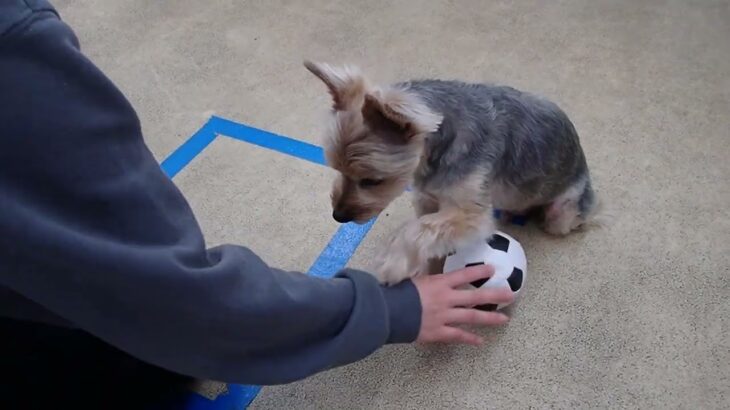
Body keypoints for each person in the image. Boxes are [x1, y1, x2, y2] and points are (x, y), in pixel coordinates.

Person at [0, 1, 513, 408]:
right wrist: (390, 310)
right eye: (346, 176)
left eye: (368, 180)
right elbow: (184, 306)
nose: (344, 201)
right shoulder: (17, 50)